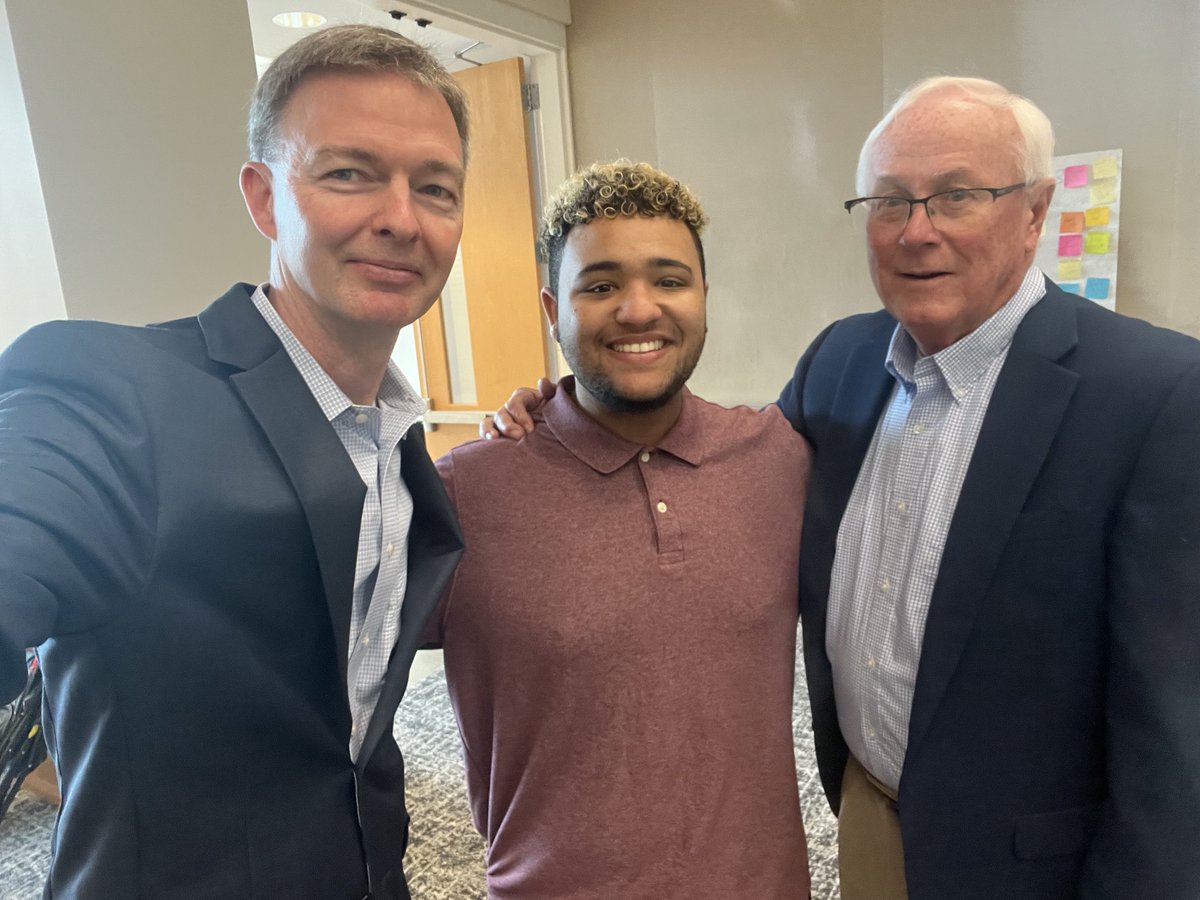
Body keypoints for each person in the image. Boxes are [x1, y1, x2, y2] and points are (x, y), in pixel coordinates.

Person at [497, 78, 1200, 899]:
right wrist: (559, 406)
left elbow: (1177, 731)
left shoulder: (1158, 394)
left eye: (957, 196)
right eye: (889, 201)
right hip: (866, 814)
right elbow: (715, 463)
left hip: (1038, 865)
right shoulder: (841, 362)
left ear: (1035, 213)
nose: (917, 232)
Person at [0, 24, 467, 899]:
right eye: (349, 173)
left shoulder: (401, 444)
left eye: (434, 188)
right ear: (263, 199)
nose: (401, 218)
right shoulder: (111, 391)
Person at [425, 161, 813, 899]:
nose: (639, 310)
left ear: (705, 299)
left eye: (669, 280)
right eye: (600, 285)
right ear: (552, 309)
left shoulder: (780, 459)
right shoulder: (467, 490)